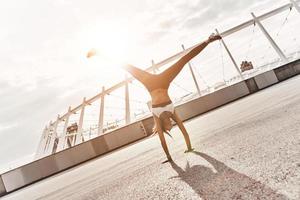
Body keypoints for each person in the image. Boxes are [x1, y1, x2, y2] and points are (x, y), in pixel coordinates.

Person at [88, 33, 221, 162]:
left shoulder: (156, 116)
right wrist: (189, 147)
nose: (171, 126)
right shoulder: (172, 113)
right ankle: (209, 40)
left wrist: (169, 157)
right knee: (181, 61)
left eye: (169, 128)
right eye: (172, 126)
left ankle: (208, 40)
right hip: (164, 81)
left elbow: (162, 140)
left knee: (130, 67)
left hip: (150, 83)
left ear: (164, 126)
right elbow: (184, 130)